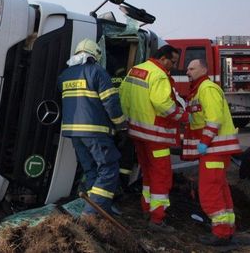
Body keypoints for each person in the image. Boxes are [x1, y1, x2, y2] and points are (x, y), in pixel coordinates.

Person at [119, 45, 186, 233]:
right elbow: (163, 104)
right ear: (163, 58)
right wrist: (182, 116)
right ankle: (157, 219)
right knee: (162, 175)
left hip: (137, 133)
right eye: (172, 62)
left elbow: (123, 96)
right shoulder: (159, 75)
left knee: (148, 172)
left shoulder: (136, 70)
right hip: (156, 135)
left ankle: (146, 209)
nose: (173, 66)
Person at [58, 38, 127, 216]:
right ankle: (91, 213)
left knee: (91, 170)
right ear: (96, 55)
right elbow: (111, 103)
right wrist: (121, 126)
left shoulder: (65, 75)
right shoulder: (97, 72)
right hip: (95, 131)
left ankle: (99, 206)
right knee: (109, 169)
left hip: (73, 132)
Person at [183, 59, 242, 246]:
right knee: (220, 189)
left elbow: (214, 119)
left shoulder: (206, 88)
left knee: (209, 191)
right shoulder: (200, 89)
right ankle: (227, 230)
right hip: (215, 150)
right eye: (187, 68)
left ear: (203, 69)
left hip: (213, 149)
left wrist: (204, 142)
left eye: (192, 68)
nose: (187, 71)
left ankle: (221, 233)